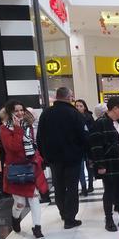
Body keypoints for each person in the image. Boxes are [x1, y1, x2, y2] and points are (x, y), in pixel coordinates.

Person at [37, 87, 86, 229]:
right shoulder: (74, 113)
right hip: (73, 158)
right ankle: (70, 218)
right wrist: (83, 151)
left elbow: (40, 137)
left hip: (53, 158)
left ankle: (63, 213)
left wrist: (44, 156)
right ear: (68, 96)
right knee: (71, 187)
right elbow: (82, 136)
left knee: (58, 186)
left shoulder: (46, 114)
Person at [0, 100, 49, 239]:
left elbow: (33, 145)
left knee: (34, 198)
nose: (20, 113)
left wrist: (37, 158)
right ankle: (15, 218)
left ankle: (37, 227)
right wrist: (17, 129)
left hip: (30, 166)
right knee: (20, 203)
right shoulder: (4, 129)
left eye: (22, 110)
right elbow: (13, 148)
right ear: (10, 112)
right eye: (16, 111)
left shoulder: (28, 126)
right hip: (15, 170)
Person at [89, 96, 119, 232]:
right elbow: (96, 146)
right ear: (114, 108)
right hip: (108, 164)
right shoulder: (100, 123)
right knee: (109, 191)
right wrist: (100, 165)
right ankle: (108, 219)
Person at [75, 99, 95, 196]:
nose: (78, 108)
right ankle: (83, 187)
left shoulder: (89, 117)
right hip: (78, 147)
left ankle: (90, 185)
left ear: (85, 107)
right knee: (80, 168)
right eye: (77, 106)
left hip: (89, 146)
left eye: (80, 106)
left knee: (90, 167)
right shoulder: (73, 117)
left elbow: (92, 131)